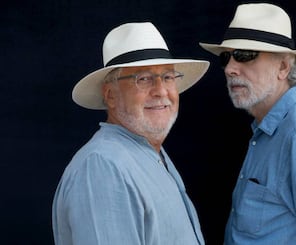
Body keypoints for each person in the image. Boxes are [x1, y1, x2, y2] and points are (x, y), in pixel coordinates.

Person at [200, 3, 296, 245]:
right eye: (226, 57)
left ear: (283, 67)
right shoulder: (266, 132)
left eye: (245, 55)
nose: (230, 68)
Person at [52, 22, 209, 245]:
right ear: (110, 95)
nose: (161, 91)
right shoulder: (102, 168)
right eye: (143, 79)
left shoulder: (148, 153)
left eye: (168, 77)